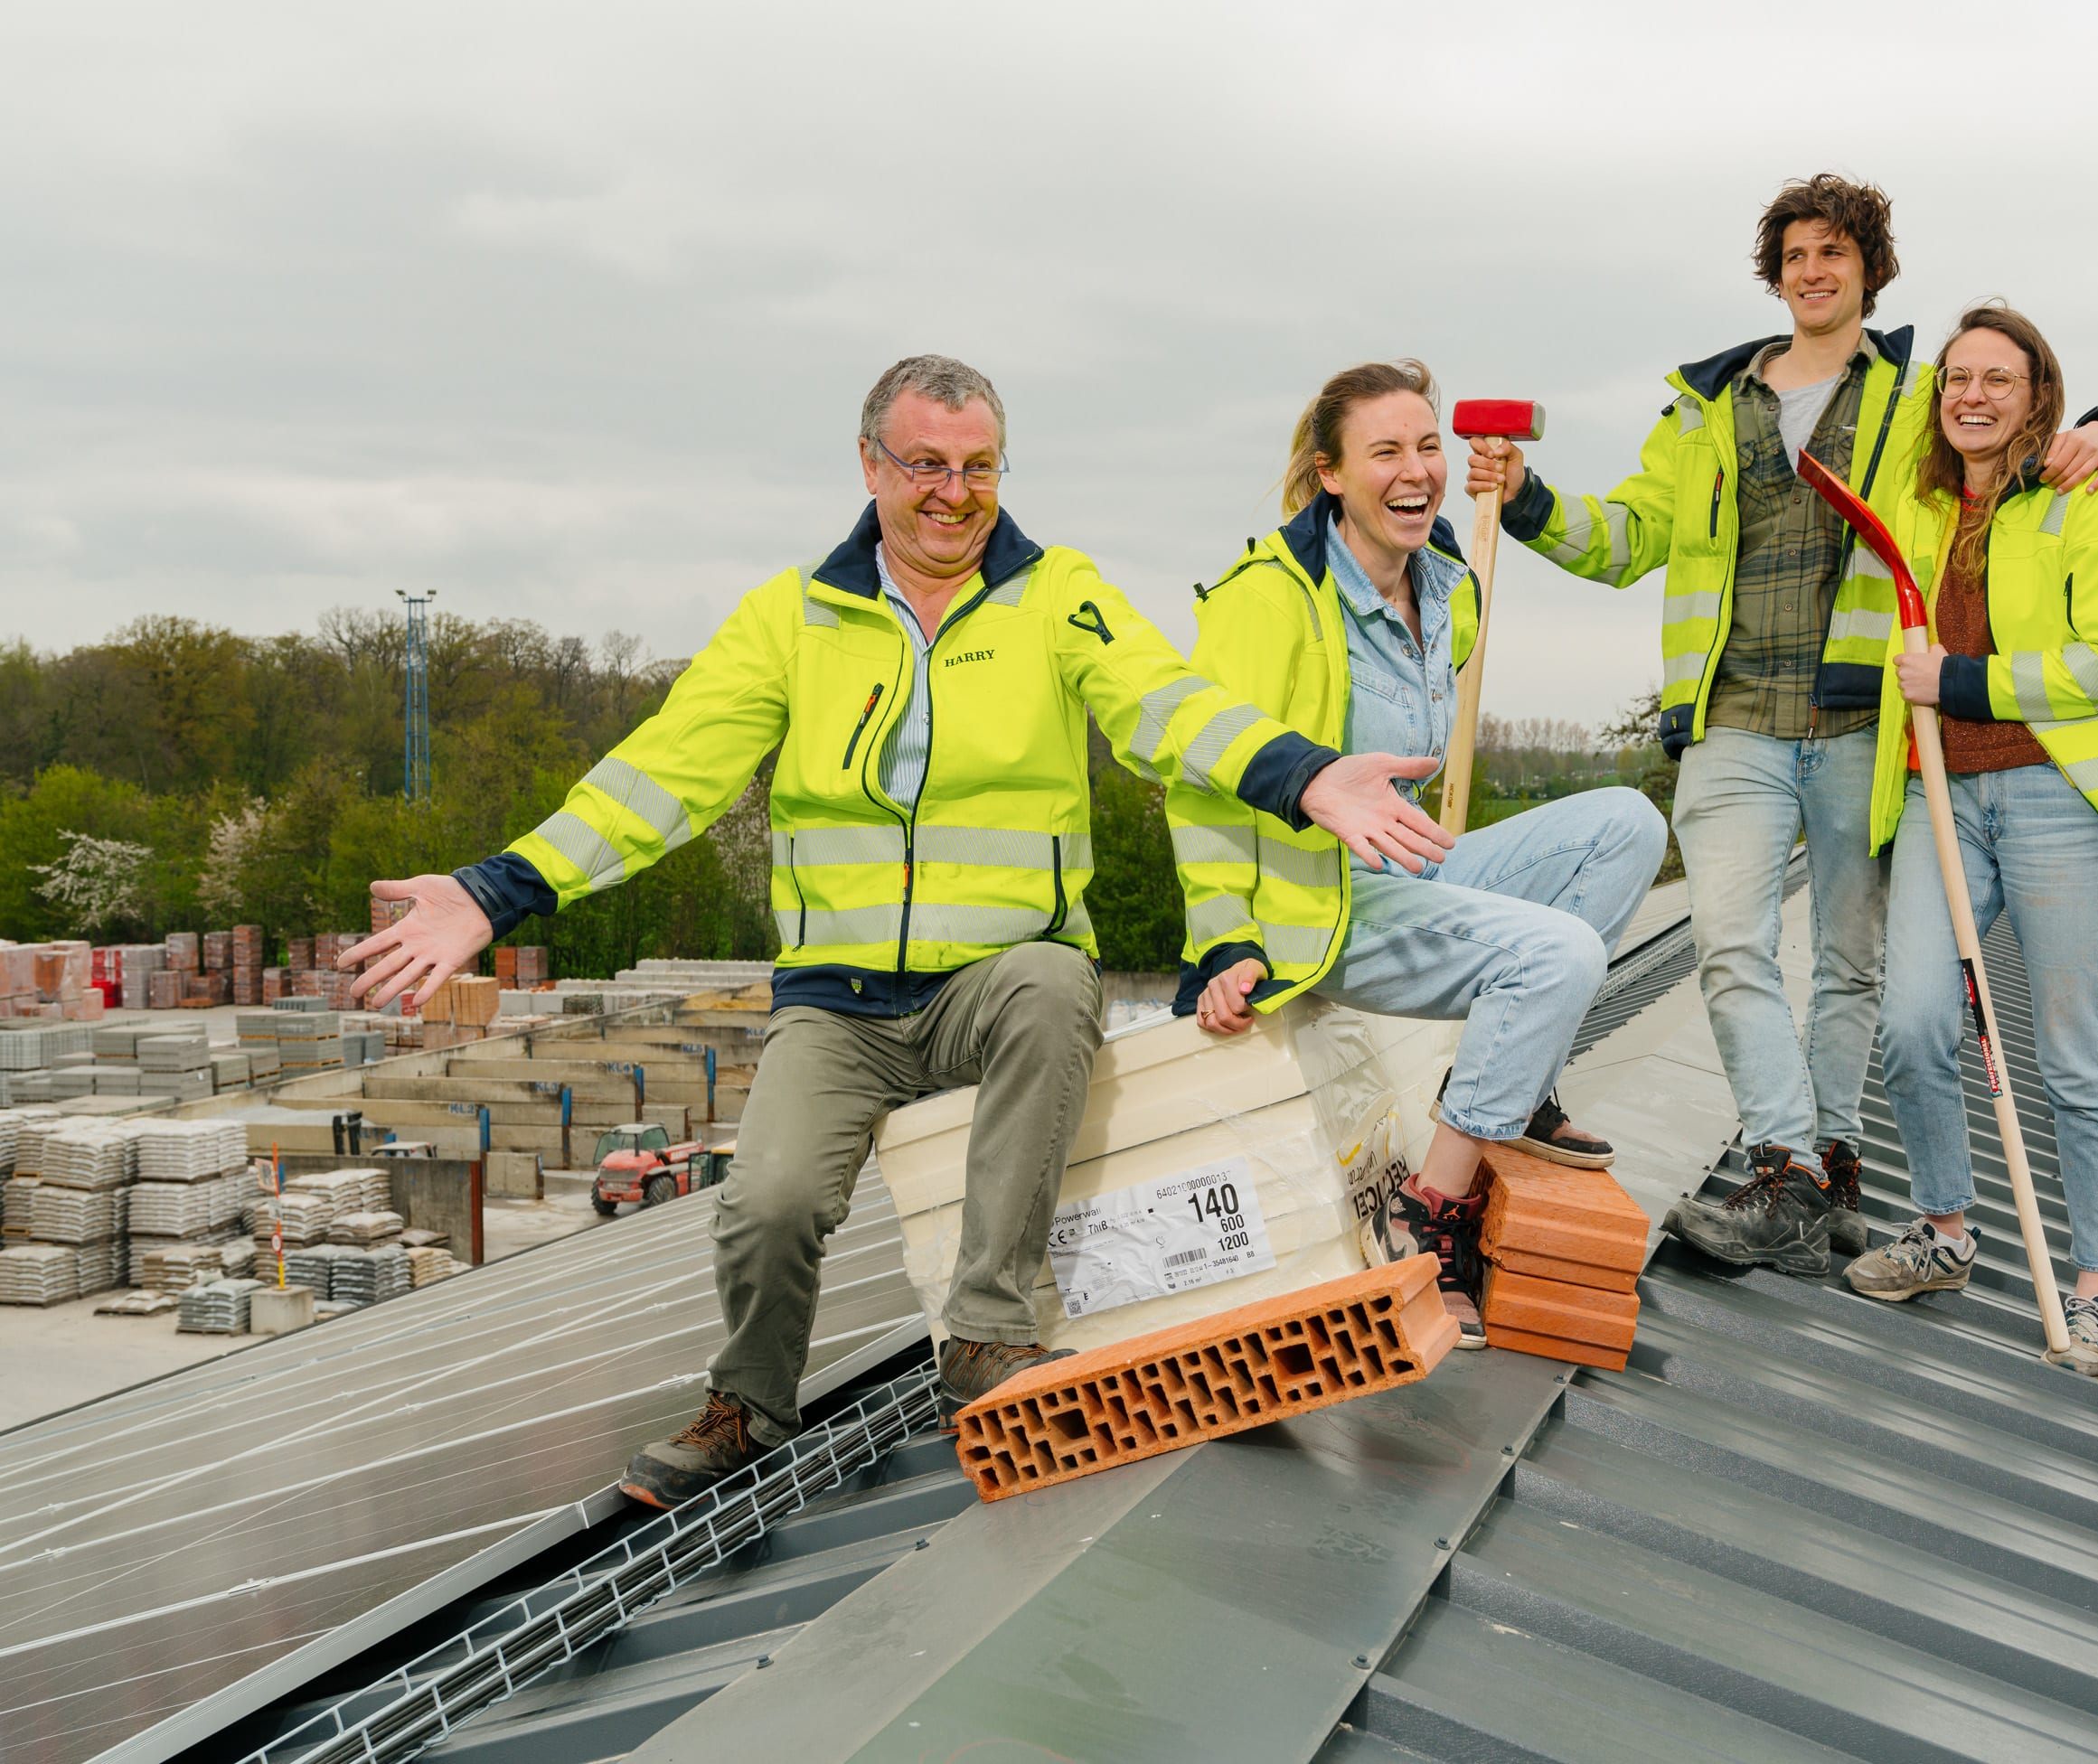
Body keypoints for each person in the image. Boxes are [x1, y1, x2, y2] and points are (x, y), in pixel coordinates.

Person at [341, 355, 1456, 1506]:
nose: (953, 492)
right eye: (925, 464)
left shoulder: (1055, 596)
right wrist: (495, 889)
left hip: (996, 979)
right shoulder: (796, 618)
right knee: (769, 1204)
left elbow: (1171, 707)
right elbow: (659, 777)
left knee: (1053, 986)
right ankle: (748, 1405)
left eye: (978, 467)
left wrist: (1306, 776)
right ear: (870, 463)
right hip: (840, 1000)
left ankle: (985, 1337)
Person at [1467, 174, 2098, 1276]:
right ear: (1774, 274)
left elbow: (2003, 438)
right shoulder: (1705, 406)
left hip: (1862, 719)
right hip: (1732, 716)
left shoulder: (1916, 396)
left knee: (1849, 963)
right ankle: (1785, 1164)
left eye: (1837, 253)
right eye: (1797, 255)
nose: (1815, 272)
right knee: (1727, 941)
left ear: (1871, 270)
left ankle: (1833, 1161)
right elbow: (1627, 537)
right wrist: (1528, 499)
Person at [1170, 361, 1670, 1345]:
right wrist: (1224, 943)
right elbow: (1202, 778)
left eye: (1428, 446)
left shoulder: (1448, 587)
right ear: (1329, 475)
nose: (1416, 470)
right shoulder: (1267, 599)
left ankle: (1510, 1092)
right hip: (1320, 902)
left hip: (1414, 869)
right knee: (1558, 954)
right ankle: (1426, 1222)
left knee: (1628, 824)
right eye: (1386, 451)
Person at [1839, 305, 2098, 1377]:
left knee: (2075, 1054)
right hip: (1941, 796)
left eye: (2000, 378)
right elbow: (1874, 396)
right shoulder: (1921, 494)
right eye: (1957, 378)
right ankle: (1944, 1229)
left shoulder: (2087, 497)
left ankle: (2093, 1290)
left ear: (2038, 395)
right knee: (1909, 1024)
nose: (1972, 396)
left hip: (2060, 802)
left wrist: (1964, 681)